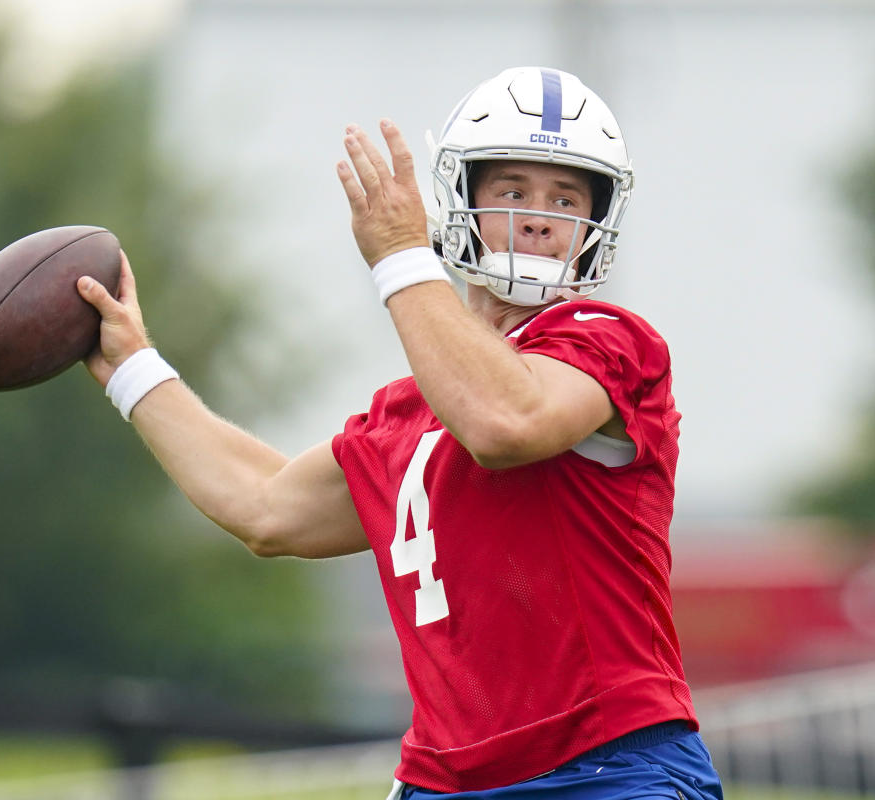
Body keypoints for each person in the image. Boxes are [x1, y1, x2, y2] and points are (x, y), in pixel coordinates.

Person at [76, 66, 724, 800]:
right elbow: (264, 506)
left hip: (603, 769)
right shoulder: (414, 412)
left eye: (567, 197)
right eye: (513, 191)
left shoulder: (609, 338)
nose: (541, 217)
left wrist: (401, 259)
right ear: (462, 203)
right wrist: (135, 369)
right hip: (444, 781)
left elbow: (508, 421)